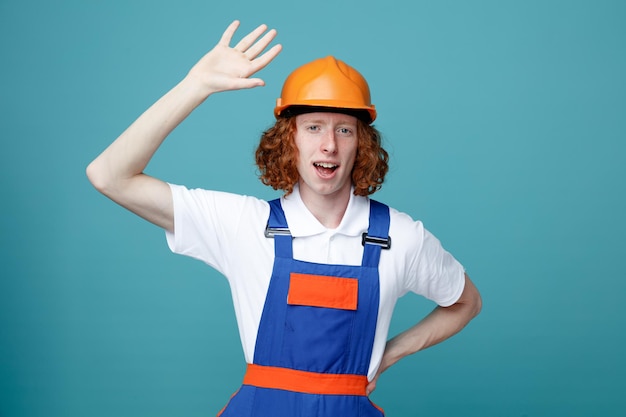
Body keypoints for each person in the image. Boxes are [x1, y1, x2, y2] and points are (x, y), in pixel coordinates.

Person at [87, 20, 481, 416]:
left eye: (344, 130)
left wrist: (392, 351)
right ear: (287, 140)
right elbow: (109, 175)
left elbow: (466, 302)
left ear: (362, 144)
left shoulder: (399, 235)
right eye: (313, 127)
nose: (329, 145)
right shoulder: (244, 224)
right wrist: (197, 85)